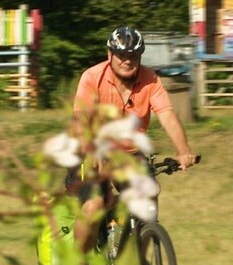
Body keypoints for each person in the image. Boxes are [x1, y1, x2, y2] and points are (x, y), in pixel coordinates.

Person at [67, 26, 198, 252]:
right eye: (122, 55)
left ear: (140, 57)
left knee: (149, 196)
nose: (127, 60)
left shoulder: (150, 80)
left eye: (134, 55)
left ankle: (141, 263)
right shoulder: (92, 78)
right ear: (109, 55)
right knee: (93, 206)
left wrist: (183, 150)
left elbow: (167, 114)